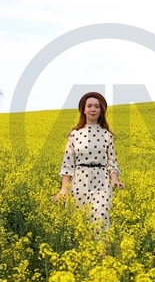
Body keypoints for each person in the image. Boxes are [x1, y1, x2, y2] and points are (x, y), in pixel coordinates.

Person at [52, 92, 125, 226]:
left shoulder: (107, 135)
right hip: (79, 180)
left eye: (97, 106)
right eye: (89, 106)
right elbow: (68, 164)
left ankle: (102, 247)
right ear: (83, 110)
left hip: (102, 181)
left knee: (101, 218)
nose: (93, 109)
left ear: (101, 110)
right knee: (79, 222)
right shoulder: (74, 134)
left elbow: (112, 161)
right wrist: (63, 189)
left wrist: (114, 179)